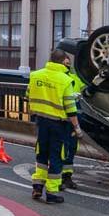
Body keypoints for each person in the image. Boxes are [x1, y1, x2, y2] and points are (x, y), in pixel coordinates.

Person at [26, 48, 82, 204]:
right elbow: (71, 109)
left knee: (42, 155)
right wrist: (77, 129)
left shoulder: (36, 75)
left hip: (41, 121)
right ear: (64, 61)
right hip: (59, 125)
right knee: (57, 157)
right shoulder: (65, 80)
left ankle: (37, 187)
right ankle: (52, 192)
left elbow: (27, 95)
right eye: (67, 60)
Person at [61, 58, 86, 190]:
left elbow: (87, 90)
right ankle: (58, 177)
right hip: (61, 119)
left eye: (68, 64)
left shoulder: (75, 78)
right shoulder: (59, 79)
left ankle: (67, 176)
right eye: (65, 63)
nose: (67, 66)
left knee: (71, 148)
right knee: (62, 148)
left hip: (73, 118)